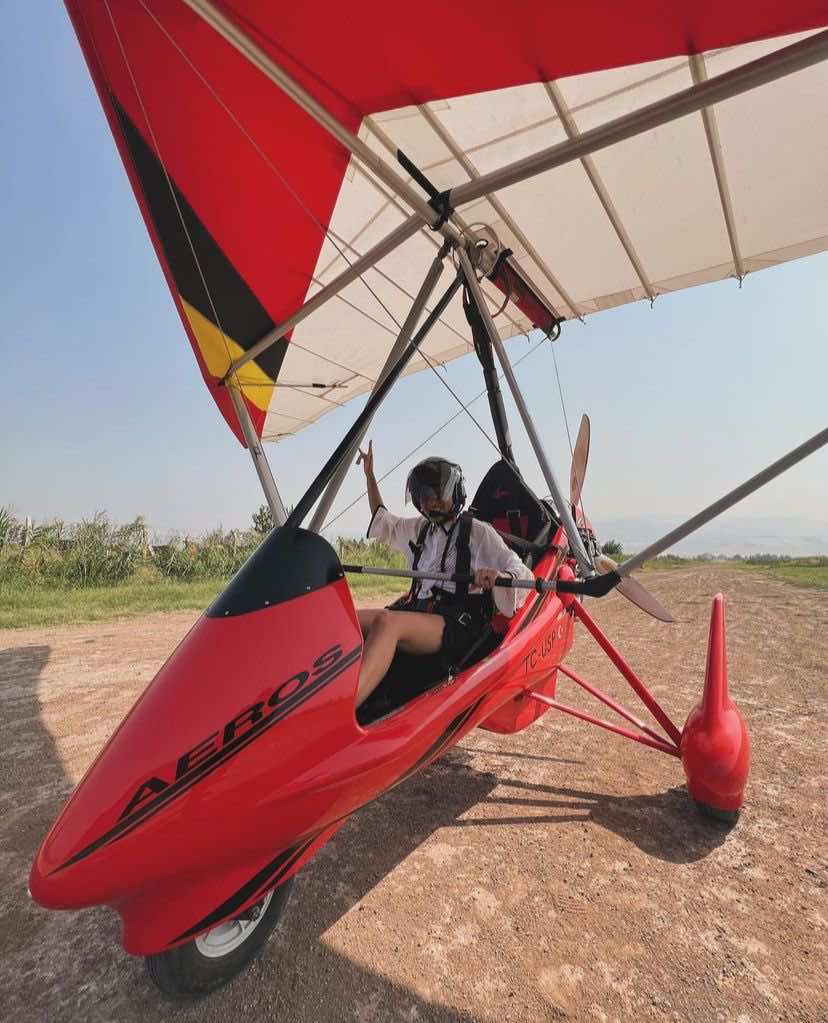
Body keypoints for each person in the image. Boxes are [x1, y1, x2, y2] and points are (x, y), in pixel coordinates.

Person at [354, 441, 535, 708]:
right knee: (347, 617)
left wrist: (499, 575)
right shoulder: (420, 529)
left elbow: (523, 572)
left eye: (438, 494)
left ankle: (342, 711)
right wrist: (370, 476)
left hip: (455, 623)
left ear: (456, 493)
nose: (432, 502)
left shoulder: (476, 531)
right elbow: (384, 521)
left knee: (387, 623)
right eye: (425, 496)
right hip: (418, 615)